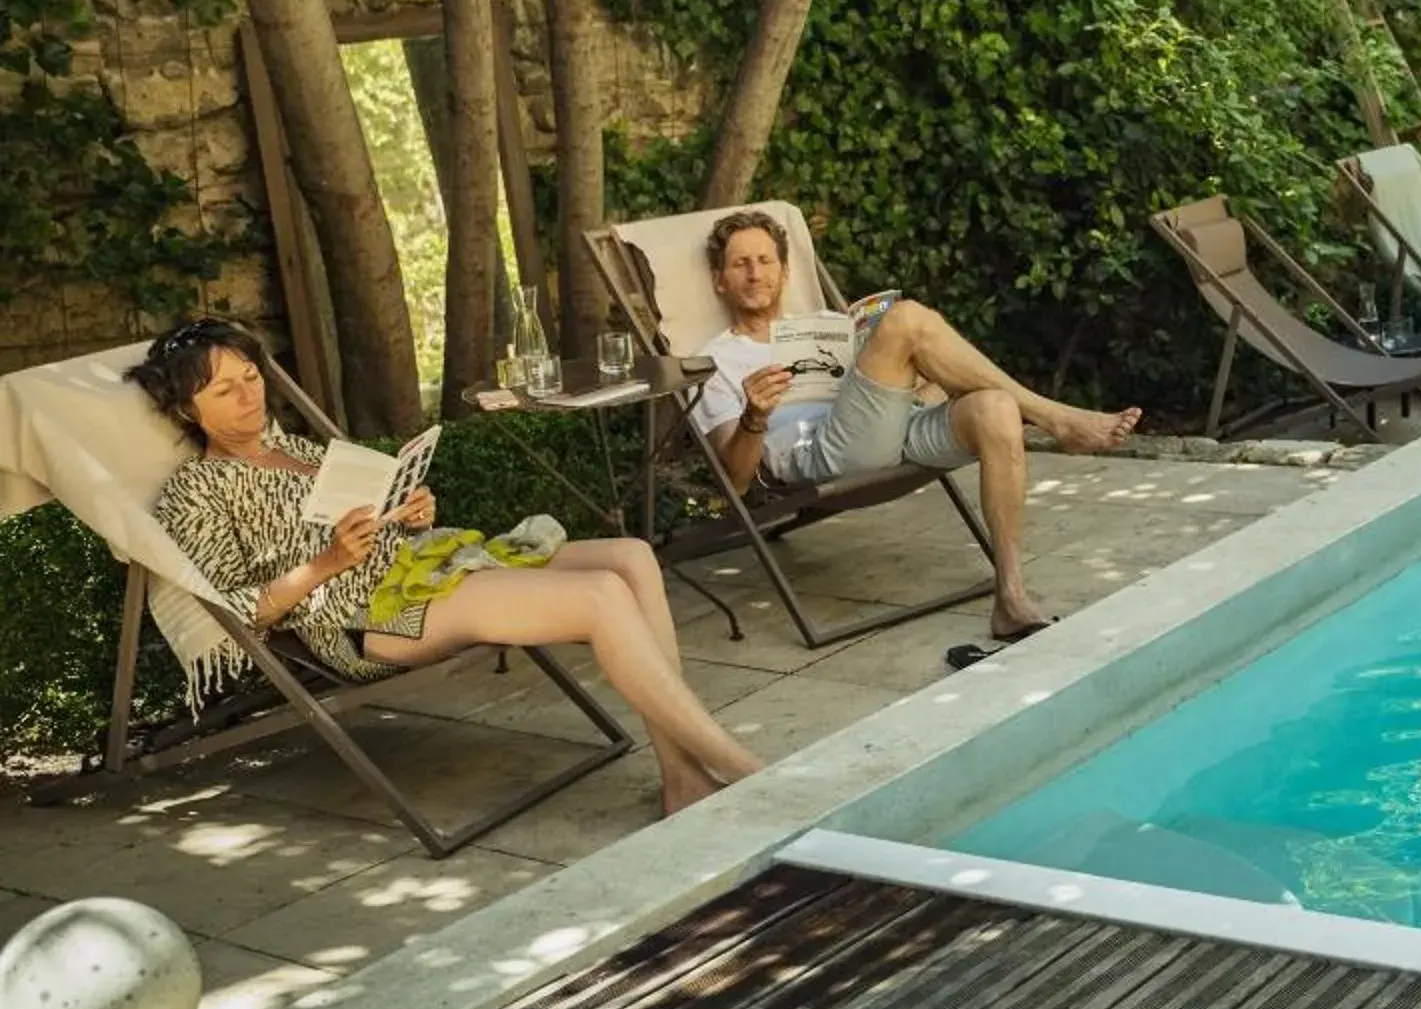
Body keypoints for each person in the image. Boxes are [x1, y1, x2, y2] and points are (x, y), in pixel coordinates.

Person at [134, 318, 760, 816]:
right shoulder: (196, 489)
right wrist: (328, 562)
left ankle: (682, 775)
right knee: (598, 594)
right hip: (370, 614)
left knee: (631, 556)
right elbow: (237, 609)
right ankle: (743, 772)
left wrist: (406, 509)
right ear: (188, 412)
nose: (249, 395)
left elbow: (367, 514)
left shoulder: (295, 447)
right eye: (225, 389)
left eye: (251, 376)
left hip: (425, 562)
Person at [687, 209, 1141, 667]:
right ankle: (1055, 419)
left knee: (994, 409)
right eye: (740, 263)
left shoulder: (828, 324)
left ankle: (1011, 597)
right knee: (905, 319)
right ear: (720, 279)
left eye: (765, 260)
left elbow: (900, 390)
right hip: (819, 450)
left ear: (785, 271)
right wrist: (755, 416)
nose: (755, 272)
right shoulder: (714, 361)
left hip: (885, 427)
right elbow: (738, 481)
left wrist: (922, 379)